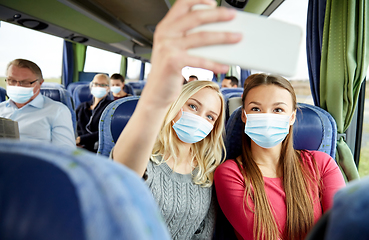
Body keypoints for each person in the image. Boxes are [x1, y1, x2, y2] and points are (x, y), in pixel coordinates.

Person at [112, 0, 242, 238]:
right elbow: (122, 176)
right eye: (192, 106)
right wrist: (154, 99)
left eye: (210, 116)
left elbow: (203, 234)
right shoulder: (146, 155)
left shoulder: (208, 170)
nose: (200, 118)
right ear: (174, 106)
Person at [214, 73, 346, 240]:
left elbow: (342, 227)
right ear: (244, 116)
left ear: (291, 117)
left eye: (278, 110)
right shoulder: (230, 173)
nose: (267, 117)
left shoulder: (322, 164)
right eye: (256, 109)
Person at [0, 59, 75, 148]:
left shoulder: (57, 111)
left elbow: (65, 153)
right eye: (11, 80)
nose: (17, 86)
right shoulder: (1, 108)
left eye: (25, 82)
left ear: (40, 83)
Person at [75, 73, 113, 152]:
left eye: (103, 85)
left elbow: (107, 132)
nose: (98, 87)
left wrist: (81, 139)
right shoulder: (82, 107)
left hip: (97, 149)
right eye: (96, 84)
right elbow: (73, 125)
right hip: (77, 145)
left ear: (108, 88)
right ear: (91, 86)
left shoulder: (111, 107)